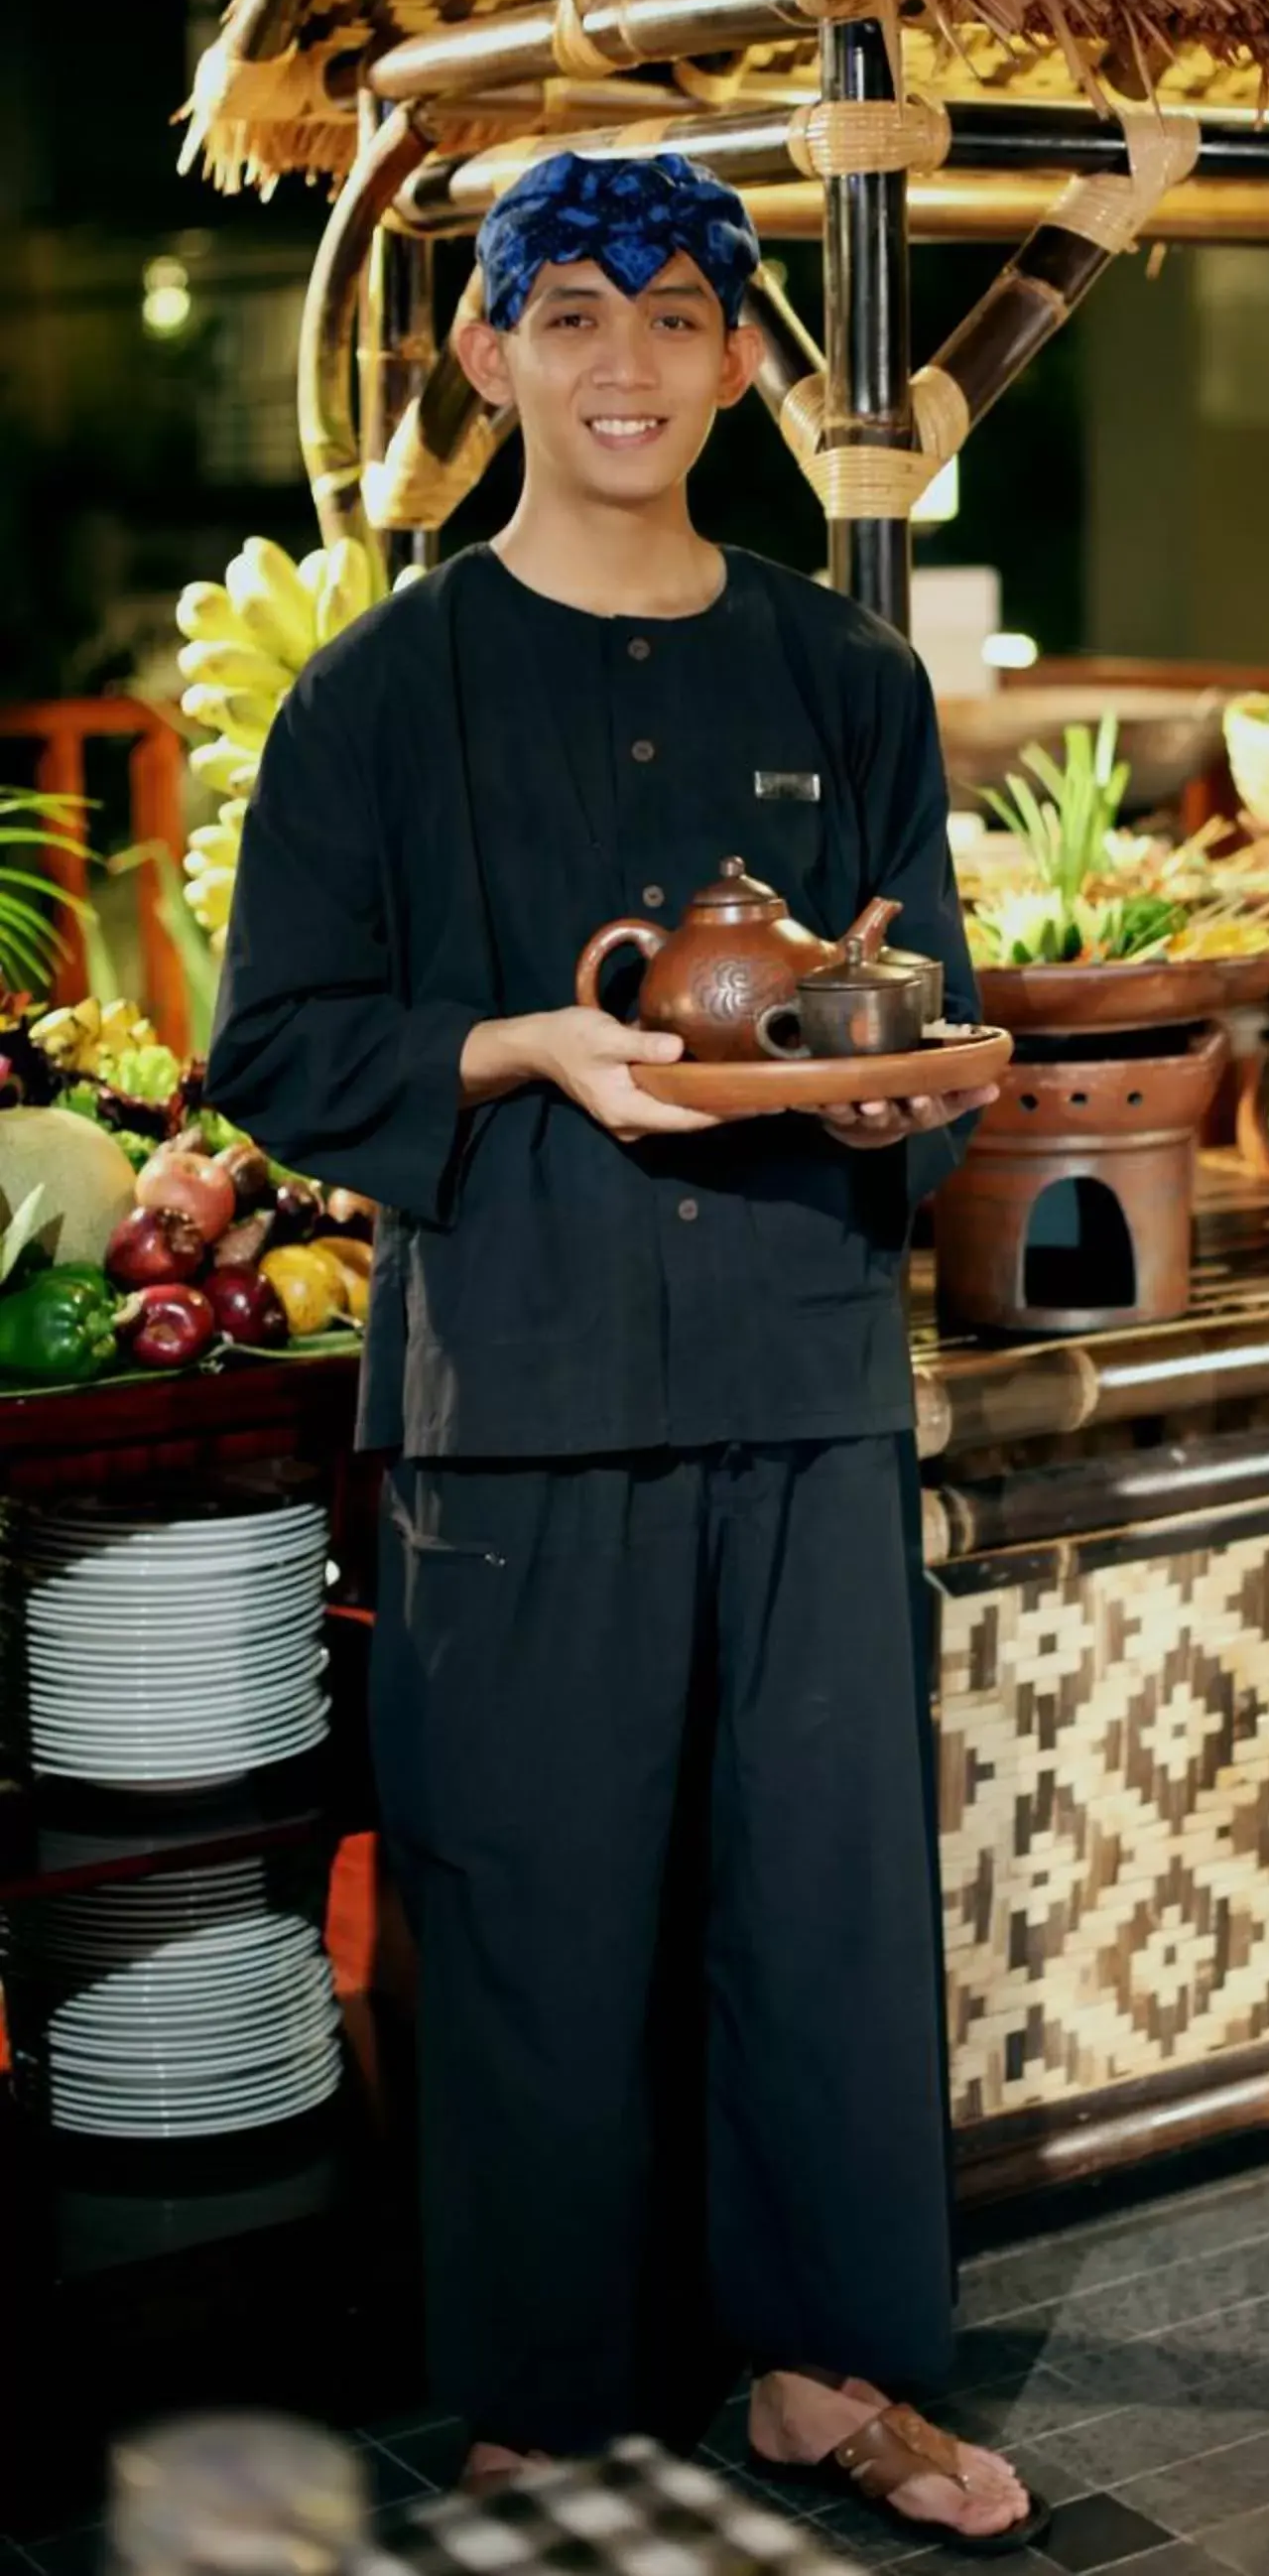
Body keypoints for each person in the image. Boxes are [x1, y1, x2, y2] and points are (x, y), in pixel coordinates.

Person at [206, 151, 1046, 2554]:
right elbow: (279, 1039)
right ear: (484, 357)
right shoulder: (387, 691)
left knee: (819, 1894)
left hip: (795, 1366)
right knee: (528, 1891)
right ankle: (538, 2386)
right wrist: (517, 1049)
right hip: (526, 1376)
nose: (625, 366)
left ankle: (825, 2368)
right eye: (569, 315)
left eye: (680, 318)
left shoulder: (844, 673)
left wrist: (898, 1082)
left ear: (744, 364)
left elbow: (918, 1004)